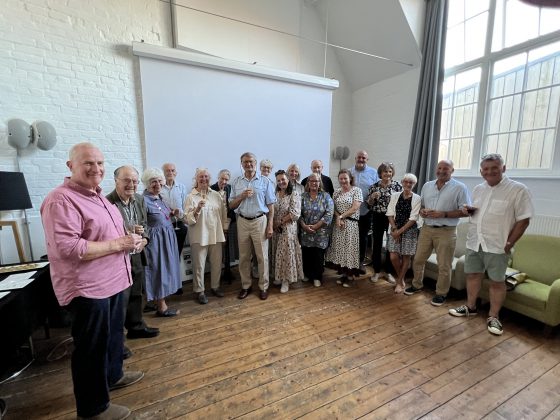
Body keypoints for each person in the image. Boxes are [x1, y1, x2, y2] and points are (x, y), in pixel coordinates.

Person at [41, 142, 143, 420]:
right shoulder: (60, 200)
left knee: (113, 335)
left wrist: (131, 240)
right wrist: (120, 243)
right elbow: (68, 248)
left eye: (99, 163)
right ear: (70, 166)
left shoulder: (98, 197)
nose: (96, 168)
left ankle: (113, 375)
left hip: (113, 282)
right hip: (88, 289)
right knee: (91, 348)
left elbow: (107, 236)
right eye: (88, 163)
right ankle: (92, 409)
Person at [449, 154, 533, 336]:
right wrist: (468, 211)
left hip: (497, 245)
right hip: (475, 242)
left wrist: (509, 243)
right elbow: (478, 213)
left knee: (497, 282)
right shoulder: (479, 189)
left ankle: (494, 316)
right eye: (486, 169)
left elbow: (524, 220)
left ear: (503, 168)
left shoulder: (518, 189)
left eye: (494, 168)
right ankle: (471, 307)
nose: (490, 172)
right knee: (473, 275)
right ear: (481, 172)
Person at [404, 160, 471, 307]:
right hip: (427, 229)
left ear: (452, 171)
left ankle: (441, 294)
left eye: (445, 169)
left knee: (444, 265)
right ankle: (416, 285)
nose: (441, 171)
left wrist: (443, 214)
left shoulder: (460, 188)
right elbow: (421, 205)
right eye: (439, 168)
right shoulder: (427, 185)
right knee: (418, 260)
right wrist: (422, 211)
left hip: (446, 231)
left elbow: (466, 212)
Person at [106, 166, 159, 340]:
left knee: (136, 293)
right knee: (120, 300)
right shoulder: (107, 203)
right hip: (118, 257)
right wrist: (127, 233)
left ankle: (136, 327)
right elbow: (105, 234)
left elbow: (144, 224)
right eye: (126, 180)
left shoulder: (139, 199)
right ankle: (117, 340)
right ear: (116, 181)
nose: (131, 184)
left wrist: (145, 240)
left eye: (134, 181)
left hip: (136, 254)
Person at [229, 152, 276, 300]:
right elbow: (231, 205)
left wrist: (270, 226)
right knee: (243, 257)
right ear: (241, 164)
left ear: (255, 163)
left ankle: (263, 287)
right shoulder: (236, 182)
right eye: (245, 162)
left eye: (251, 161)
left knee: (262, 256)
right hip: (242, 221)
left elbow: (271, 206)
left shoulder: (265, 181)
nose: (248, 164)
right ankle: (246, 286)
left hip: (259, 221)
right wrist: (242, 196)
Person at [142, 168, 182, 316]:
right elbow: (142, 223)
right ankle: (161, 307)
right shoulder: (143, 200)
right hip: (155, 242)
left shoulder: (159, 198)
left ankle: (153, 301)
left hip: (166, 239)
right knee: (158, 271)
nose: (157, 184)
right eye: (153, 181)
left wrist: (171, 213)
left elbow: (160, 216)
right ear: (147, 183)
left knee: (165, 270)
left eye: (159, 181)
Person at [184, 168, 227, 304]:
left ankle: (215, 286)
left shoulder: (216, 195)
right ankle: (199, 291)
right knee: (199, 265)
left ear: (210, 179)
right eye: (201, 177)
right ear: (196, 179)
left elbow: (223, 214)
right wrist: (197, 209)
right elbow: (187, 219)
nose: (204, 179)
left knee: (217, 263)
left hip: (216, 234)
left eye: (206, 176)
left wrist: (224, 230)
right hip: (199, 235)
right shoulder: (191, 197)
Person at [367, 162, 403, 284]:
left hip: (392, 219)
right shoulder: (374, 186)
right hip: (377, 217)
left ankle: (388, 272)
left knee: (390, 245)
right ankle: (376, 271)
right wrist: (372, 198)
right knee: (376, 245)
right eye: (385, 171)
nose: (388, 174)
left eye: (390, 171)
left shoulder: (397, 186)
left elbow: (402, 203)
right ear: (380, 173)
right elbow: (368, 205)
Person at [326, 169, 363, 287]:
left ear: (350, 178)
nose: (343, 181)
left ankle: (350, 275)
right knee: (340, 249)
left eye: (345, 178)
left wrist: (341, 217)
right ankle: (344, 273)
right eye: (341, 178)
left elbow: (355, 208)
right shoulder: (337, 192)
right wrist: (338, 217)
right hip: (338, 224)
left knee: (349, 249)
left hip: (351, 224)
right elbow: (333, 207)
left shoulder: (356, 190)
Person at [385, 173, 421, 293]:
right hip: (394, 229)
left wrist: (399, 232)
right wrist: (395, 229)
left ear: (414, 184)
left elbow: (413, 218)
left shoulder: (417, 198)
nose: (408, 184)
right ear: (402, 182)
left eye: (411, 182)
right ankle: (400, 279)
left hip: (410, 230)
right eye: (406, 181)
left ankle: (399, 281)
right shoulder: (395, 196)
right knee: (393, 256)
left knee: (406, 257)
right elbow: (390, 213)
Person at [271, 170, 303, 293]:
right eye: (278, 180)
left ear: (288, 179)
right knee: (278, 253)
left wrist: (279, 222)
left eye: (283, 179)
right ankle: (279, 277)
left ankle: (286, 280)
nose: (281, 182)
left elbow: (295, 213)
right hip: (276, 229)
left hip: (288, 228)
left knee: (286, 254)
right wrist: (273, 224)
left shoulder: (294, 193)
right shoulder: (275, 193)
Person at [300, 172, 334, 287]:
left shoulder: (326, 196)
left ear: (320, 183)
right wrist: (304, 226)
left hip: (321, 233)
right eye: (312, 181)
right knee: (306, 254)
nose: (314, 183)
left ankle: (317, 277)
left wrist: (316, 226)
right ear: (308, 183)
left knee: (318, 255)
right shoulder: (303, 196)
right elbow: (298, 213)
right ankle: (307, 273)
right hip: (305, 232)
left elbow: (329, 213)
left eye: (316, 181)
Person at [349, 150, 379, 273]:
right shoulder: (349, 172)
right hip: (350, 211)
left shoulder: (374, 173)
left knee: (362, 238)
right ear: (355, 158)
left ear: (367, 159)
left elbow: (377, 189)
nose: (361, 159)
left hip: (365, 211)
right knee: (350, 237)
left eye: (363, 158)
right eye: (359, 157)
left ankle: (360, 262)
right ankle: (348, 262)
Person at [211, 169, 238, 282]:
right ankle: (218, 273)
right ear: (218, 177)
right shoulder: (211, 189)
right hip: (216, 223)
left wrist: (229, 219)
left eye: (226, 179)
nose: (224, 181)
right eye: (222, 178)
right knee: (218, 249)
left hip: (229, 221)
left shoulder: (230, 188)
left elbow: (232, 205)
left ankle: (228, 270)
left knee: (229, 247)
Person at [161, 163, 189, 257]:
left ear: (176, 173)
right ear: (163, 173)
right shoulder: (159, 187)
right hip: (164, 224)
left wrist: (183, 218)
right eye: (167, 171)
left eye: (172, 170)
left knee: (178, 252)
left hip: (179, 223)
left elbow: (185, 206)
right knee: (167, 253)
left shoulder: (182, 187)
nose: (170, 173)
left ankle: (176, 264)